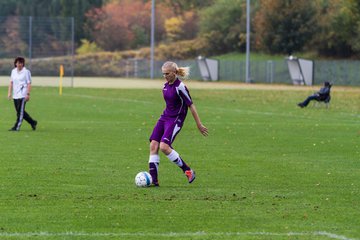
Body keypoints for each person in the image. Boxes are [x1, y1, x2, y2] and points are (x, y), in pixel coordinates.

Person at [148, 61, 208, 186]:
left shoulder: (180, 87)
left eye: (167, 73)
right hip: (165, 117)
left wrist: (199, 124)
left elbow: (191, 105)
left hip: (176, 119)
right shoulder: (165, 86)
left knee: (164, 147)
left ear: (174, 73)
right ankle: (154, 181)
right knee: (153, 145)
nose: (165, 76)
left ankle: (188, 170)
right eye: (163, 74)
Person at [8, 57, 37, 131]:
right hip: (15, 95)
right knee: (19, 111)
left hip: (23, 95)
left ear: (23, 64)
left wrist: (28, 94)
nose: (19, 64)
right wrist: (9, 93)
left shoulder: (26, 72)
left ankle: (16, 127)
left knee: (20, 113)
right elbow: (11, 83)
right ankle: (32, 122)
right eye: (18, 63)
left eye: (21, 63)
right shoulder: (13, 71)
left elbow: (29, 83)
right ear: (15, 63)